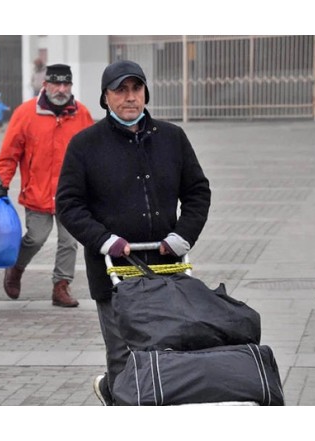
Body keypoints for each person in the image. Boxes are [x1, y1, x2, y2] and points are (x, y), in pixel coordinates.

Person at [55, 60, 212, 404]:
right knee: (123, 355)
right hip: (114, 272)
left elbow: (198, 191)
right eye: (120, 90)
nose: (130, 98)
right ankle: (120, 395)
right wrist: (105, 240)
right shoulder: (85, 145)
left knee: (171, 350)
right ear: (105, 97)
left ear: (145, 93)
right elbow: (68, 204)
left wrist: (182, 236)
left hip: (166, 266)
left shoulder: (172, 138)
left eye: (136, 89)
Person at [0, 64, 94, 308]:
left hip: (71, 194)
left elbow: (95, 154)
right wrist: (1, 184)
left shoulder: (81, 115)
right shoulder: (26, 113)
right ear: (45, 84)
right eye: (56, 84)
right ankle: (16, 268)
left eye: (66, 84)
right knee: (36, 238)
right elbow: (9, 153)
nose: (61, 89)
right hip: (36, 191)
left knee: (69, 241)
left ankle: (61, 286)